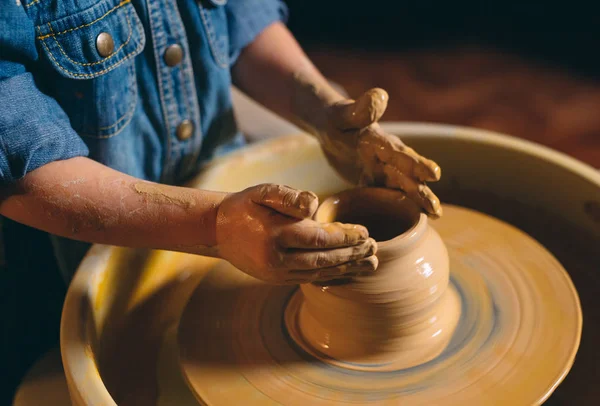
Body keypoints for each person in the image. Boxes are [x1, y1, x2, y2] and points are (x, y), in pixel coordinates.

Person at [0, 0, 440, 397]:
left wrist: (324, 113)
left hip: (223, 179)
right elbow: (18, 163)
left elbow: (241, 16)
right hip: (64, 244)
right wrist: (215, 227)